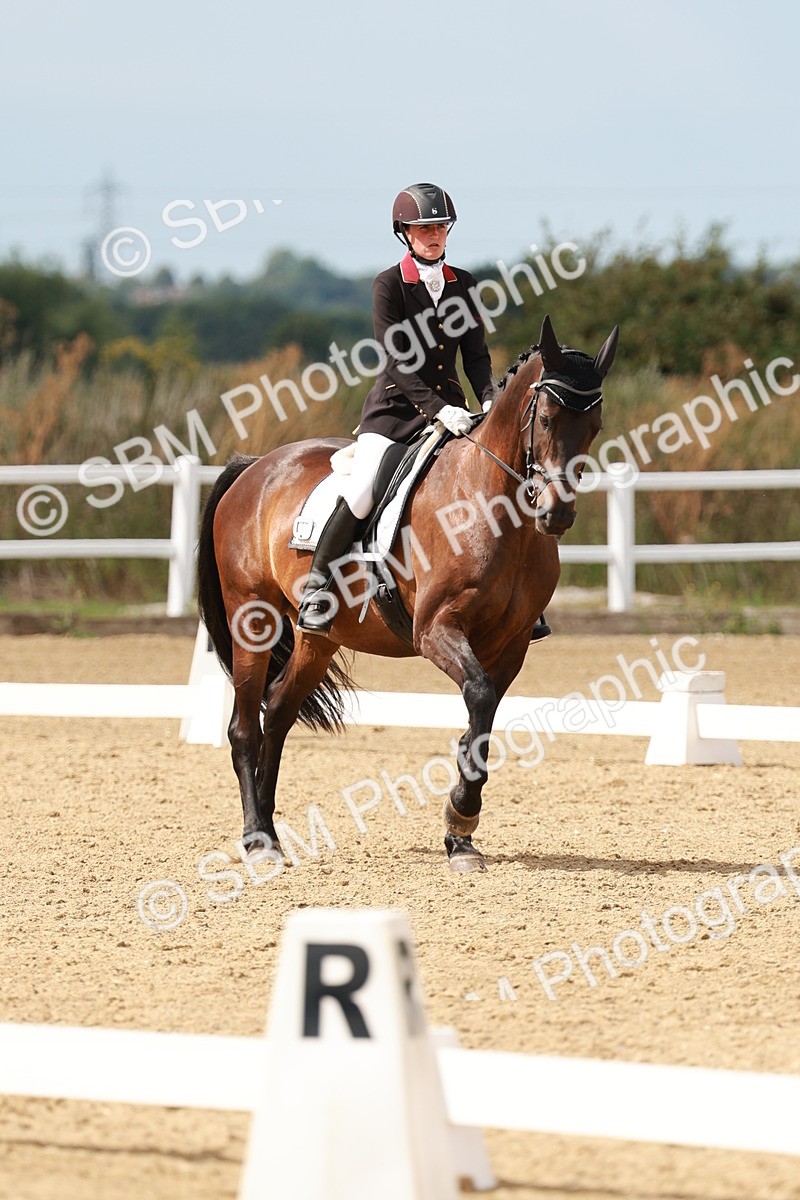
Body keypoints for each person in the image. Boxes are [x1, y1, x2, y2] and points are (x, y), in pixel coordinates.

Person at [296, 182, 550, 644]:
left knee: (494, 480)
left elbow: (474, 354)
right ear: (405, 233)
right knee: (363, 490)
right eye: (423, 228)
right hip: (395, 412)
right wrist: (438, 410)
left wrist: (489, 398)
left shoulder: (463, 284)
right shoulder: (388, 285)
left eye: (440, 227)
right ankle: (317, 588)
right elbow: (396, 360)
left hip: (455, 410)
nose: (433, 235)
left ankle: (516, 596)